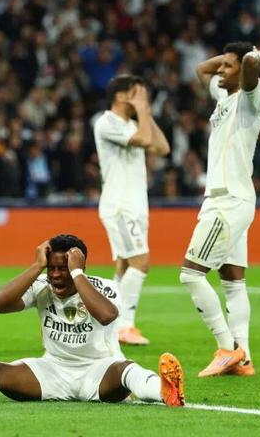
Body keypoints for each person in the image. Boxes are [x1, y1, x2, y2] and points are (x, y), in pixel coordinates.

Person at [0, 234, 185, 407]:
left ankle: (166, 392)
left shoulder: (104, 287)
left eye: (62, 268)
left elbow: (107, 315)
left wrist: (77, 275)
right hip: (52, 371)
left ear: (79, 266)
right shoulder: (42, 286)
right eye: (51, 268)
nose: (55, 275)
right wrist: (36, 267)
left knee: (127, 370)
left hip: (100, 370)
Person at [180, 42, 260, 377]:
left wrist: (250, 58)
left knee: (191, 274)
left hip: (228, 201)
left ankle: (227, 348)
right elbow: (202, 68)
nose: (220, 70)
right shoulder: (223, 95)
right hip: (228, 200)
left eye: (228, 67)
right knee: (233, 282)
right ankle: (243, 360)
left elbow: (250, 71)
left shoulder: (250, 101)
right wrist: (231, 57)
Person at [93, 75, 170, 345]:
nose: (143, 99)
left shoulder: (133, 124)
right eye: (138, 93)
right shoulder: (106, 123)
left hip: (136, 205)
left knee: (125, 265)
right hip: (120, 205)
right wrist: (143, 111)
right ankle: (124, 326)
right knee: (141, 262)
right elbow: (144, 140)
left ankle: (109, 324)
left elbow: (162, 147)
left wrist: (144, 113)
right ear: (121, 96)